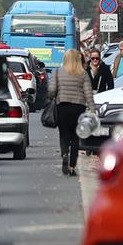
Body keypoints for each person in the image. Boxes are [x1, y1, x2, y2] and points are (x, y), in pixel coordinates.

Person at [47, 48, 95, 176]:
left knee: (63, 134)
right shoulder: (83, 74)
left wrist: (53, 96)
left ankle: (64, 154)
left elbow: (51, 90)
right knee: (75, 138)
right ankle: (72, 166)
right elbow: (88, 93)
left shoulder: (58, 72)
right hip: (78, 108)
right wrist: (92, 109)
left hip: (62, 106)